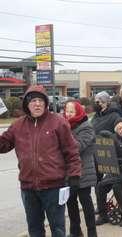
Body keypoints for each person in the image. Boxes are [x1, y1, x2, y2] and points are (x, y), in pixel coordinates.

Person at [0, 85, 81, 237]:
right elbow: (3, 145)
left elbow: (72, 152)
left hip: (54, 188)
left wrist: (74, 176)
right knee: (35, 230)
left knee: (58, 229)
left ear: (45, 103)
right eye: (33, 101)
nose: (37, 104)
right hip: (28, 188)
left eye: (40, 100)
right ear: (27, 104)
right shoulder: (18, 125)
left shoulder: (59, 122)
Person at [64, 101, 97, 237]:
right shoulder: (64, 126)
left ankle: (92, 232)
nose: (68, 114)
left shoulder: (86, 127)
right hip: (68, 173)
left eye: (72, 111)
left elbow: (78, 146)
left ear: (78, 112)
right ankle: (75, 231)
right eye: (67, 111)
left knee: (86, 203)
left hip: (84, 171)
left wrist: (64, 136)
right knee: (71, 203)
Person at [91, 91, 121, 211]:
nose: (96, 104)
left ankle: (121, 204)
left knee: (112, 182)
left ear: (105, 103)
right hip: (96, 152)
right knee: (97, 182)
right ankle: (101, 206)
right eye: (95, 102)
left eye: (98, 102)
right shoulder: (96, 116)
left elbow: (119, 133)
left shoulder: (115, 116)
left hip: (110, 153)